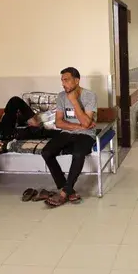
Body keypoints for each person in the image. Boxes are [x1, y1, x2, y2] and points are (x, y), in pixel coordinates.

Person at [41, 67, 97, 207]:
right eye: (62, 80)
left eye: (66, 80)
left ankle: (64, 193)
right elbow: (59, 122)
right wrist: (79, 126)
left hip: (86, 135)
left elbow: (86, 123)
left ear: (77, 81)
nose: (63, 83)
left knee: (78, 153)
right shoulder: (61, 96)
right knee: (46, 152)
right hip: (67, 133)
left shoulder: (89, 96)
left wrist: (74, 101)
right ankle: (66, 188)